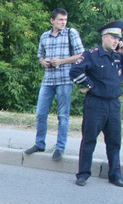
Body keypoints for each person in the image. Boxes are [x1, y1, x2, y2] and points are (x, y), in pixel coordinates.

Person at [70, 20, 123, 188]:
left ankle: (115, 175)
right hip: (95, 104)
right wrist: (90, 85)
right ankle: (83, 174)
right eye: (113, 38)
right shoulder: (91, 55)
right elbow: (75, 71)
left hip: (113, 105)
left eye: (118, 39)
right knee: (89, 140)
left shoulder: (118, 56)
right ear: (104, 37)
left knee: (114, 142)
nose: (116, 42)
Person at [24, 9, 84, 162]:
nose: (63, 22)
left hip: (65, 79)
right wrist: (43, 62)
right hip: (48, 79)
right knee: (40, 113)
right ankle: (39, 143)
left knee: (63, 115)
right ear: (52, 20)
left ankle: (60, 147)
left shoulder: (71, 33)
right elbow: (40, 55)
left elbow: (81, 55)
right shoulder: (45, 36)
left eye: (65, 19)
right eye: (60, 20)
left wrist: (61, 61)